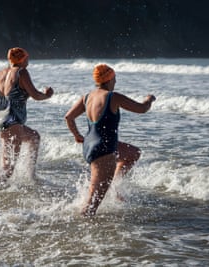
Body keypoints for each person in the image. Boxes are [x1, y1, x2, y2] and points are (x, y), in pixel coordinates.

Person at [65, 63, 156, 217]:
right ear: (109, 79)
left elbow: (69, 117)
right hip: (104, 149)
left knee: (133, 153)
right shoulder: (112, 97)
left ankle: (114, 185)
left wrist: (77, 136)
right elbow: (141, 109)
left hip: (90, 145)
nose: (115, 82)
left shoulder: (87, 97)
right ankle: (85, 233)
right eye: (114, 78)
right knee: (91, 206)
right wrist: (149, 99)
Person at [0, 47, 53, 178]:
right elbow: (35, 95)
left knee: (34, 137)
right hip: (12, 122)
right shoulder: (21, 72)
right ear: (22, 58)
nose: (28, 60)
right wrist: (47, 95)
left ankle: (31, 175)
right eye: (27, 57)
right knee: (8, 169)